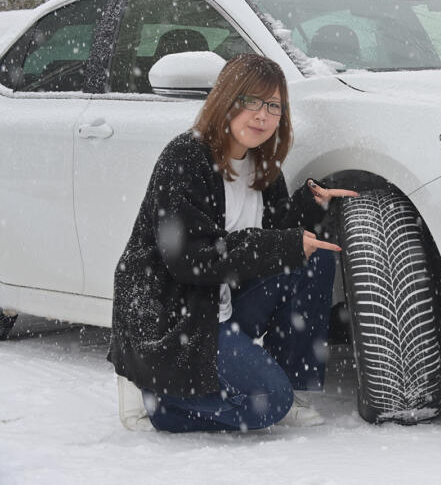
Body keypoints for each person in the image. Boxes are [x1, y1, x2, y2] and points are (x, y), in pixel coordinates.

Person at [107, 53, 358, 433]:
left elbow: (276, 237)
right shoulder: (185, 158)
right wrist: (281, 245)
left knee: (314, 259)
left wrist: (310, 206)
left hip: (222, 304)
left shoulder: (261, 165)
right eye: (250, 101)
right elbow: (189, 260)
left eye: (273, 105)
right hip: (179, 317)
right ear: (225, 100)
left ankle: (288, 384)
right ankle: (155, 396)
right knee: (267, 404)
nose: (262, 115)